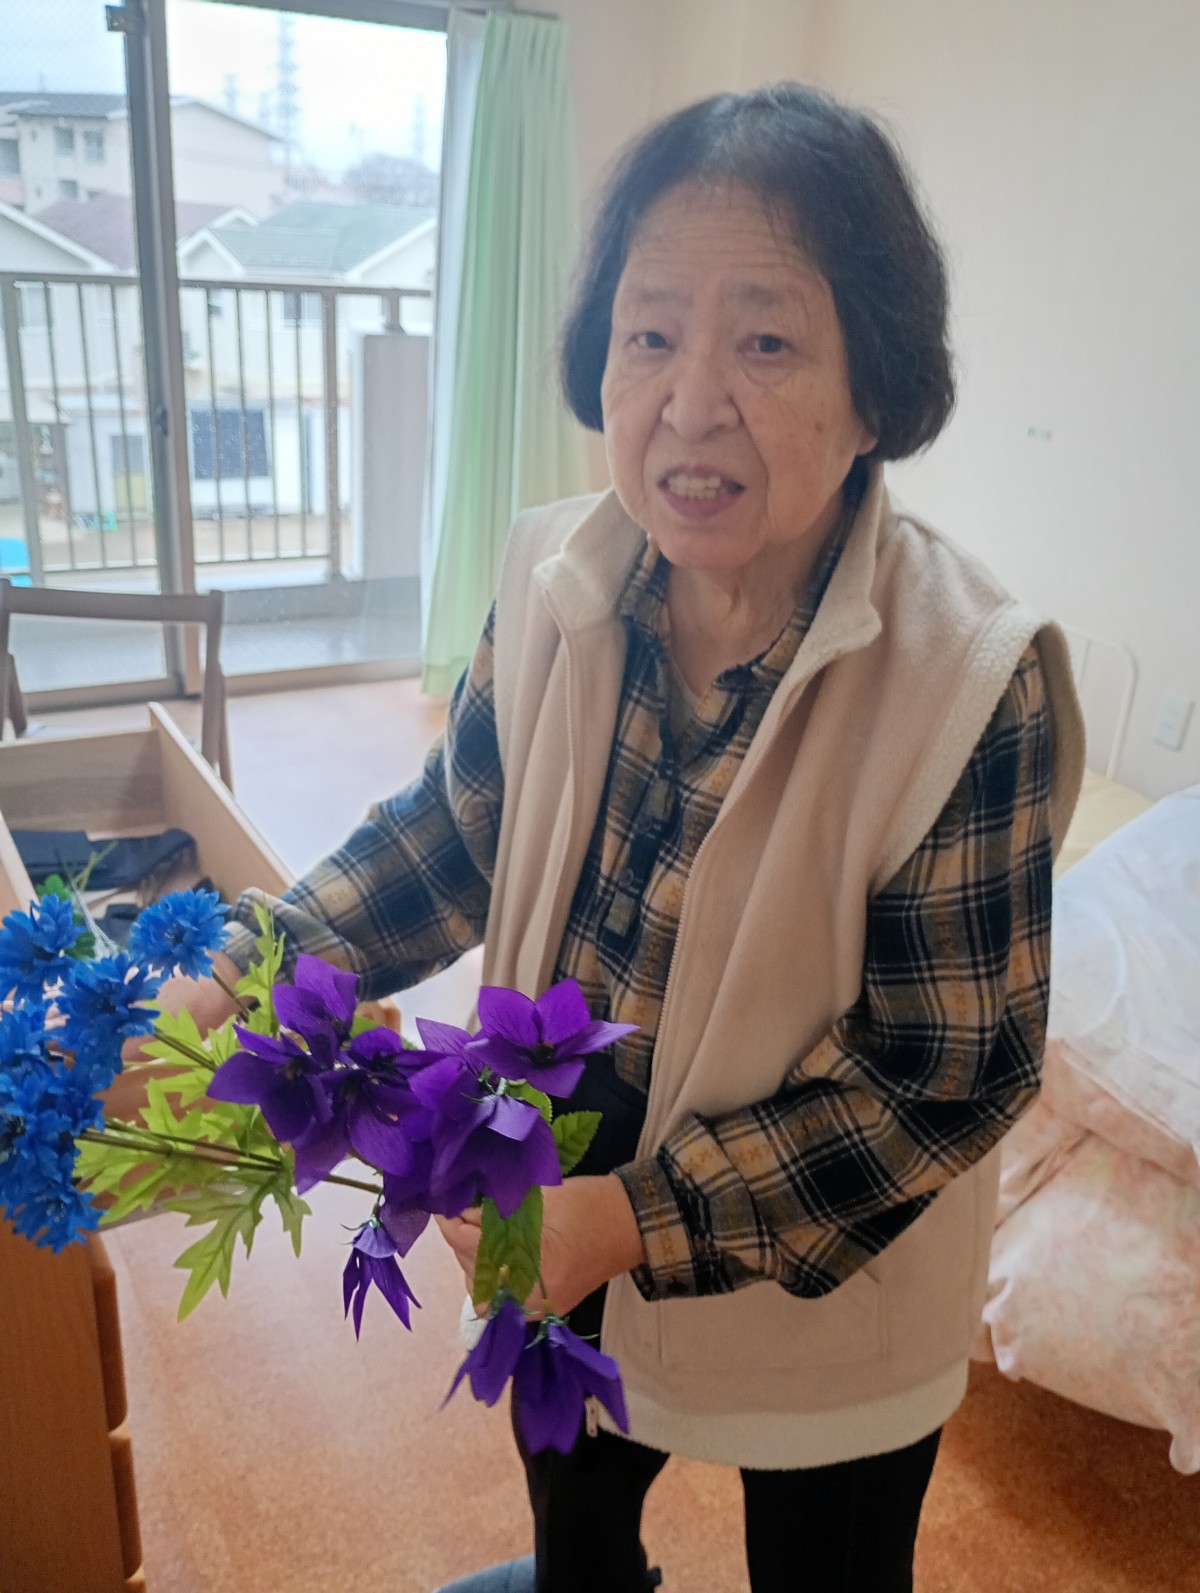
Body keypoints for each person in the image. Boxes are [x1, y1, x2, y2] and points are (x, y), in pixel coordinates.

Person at [174, 83, 1084, 1593]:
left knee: (833, 1567)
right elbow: (452, 832)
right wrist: (246, 966)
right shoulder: (556, 569)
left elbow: (943, 1077)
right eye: (650, 333)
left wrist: (637, 1216)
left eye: (766, 341)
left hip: (823, 1259)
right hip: (555, 1167)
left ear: (875, 394)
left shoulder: (970, 682)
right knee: (577, 1531)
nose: (690, 401)